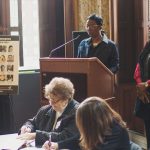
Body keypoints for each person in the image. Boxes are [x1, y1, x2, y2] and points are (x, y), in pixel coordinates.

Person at [43, 96, 130, 150]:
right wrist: (57, 145)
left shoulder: (116, 132)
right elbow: (79, 139)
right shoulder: (104, 126)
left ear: (91, 123)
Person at [17, 77, 80, 148]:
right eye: (50, 99)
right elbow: (33, 122)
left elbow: (65, 137)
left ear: (65, 99)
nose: (51, 104)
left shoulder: (78, 113)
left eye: (54, 100)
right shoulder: (45, 110)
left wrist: (36, 135)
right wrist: (28, 127)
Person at [134, 41, 150, 149]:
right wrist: (141, 85)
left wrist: (147, 84)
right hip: (146, 94)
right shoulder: (148, 45)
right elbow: (138, 68)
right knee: (148, 123)